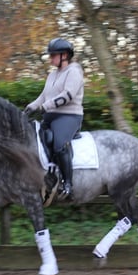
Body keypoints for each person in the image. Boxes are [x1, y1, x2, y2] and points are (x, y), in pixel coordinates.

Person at [23, 38, 85, 199]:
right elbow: (43, 96)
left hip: (69, 116)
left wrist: (46, 106)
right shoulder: (52, 75)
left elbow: (68, 95)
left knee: (59, 145)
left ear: (64, 55)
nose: (50, 59)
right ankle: (48, 175)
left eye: (53, 55)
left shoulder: (74, 72)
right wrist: (31, 107)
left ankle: (68, 184)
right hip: (51, 116)